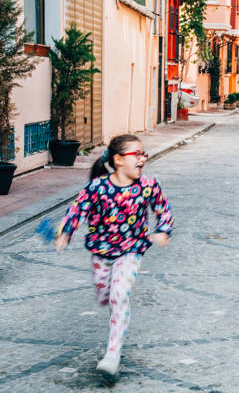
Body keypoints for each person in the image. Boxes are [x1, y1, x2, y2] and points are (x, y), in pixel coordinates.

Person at [54, 134, 174, 376]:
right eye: (136, 154)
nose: (142, 159)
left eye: (144, 154)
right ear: (118, 160)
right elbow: (77, 210)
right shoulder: (97, 187)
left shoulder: (148, 185)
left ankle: (112, 353)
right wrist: (66, 232)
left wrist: (163, 230)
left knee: (119, 296)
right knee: (105, 295)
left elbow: (163, 209)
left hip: (131, 250)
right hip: (101, 252)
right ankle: (106, 295)